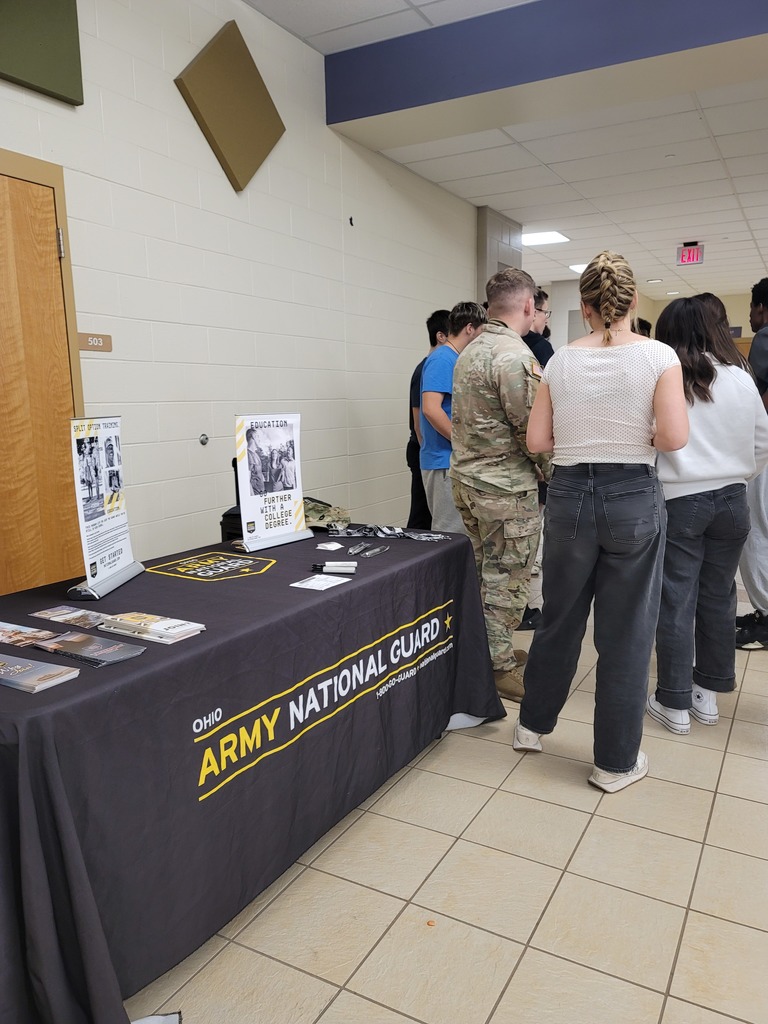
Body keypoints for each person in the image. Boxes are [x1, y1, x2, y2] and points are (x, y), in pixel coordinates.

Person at [514, 250, 688, 793]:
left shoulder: (560, 359)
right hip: (632, 494)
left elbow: (537, 441)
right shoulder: (660, 357)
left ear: (586, 307)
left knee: (560, 617)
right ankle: (614, 763)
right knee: (626, 632)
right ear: (633, 302)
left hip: (568, 495)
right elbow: (674, 438)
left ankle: (531, 726)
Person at [647, 297, 768, 734]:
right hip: (733, 501)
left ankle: (674, 702)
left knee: (676, 599)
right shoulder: (742, 377)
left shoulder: (665, 377)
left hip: (680, 502)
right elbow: (762, 442)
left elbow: (651, 444)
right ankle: (708, 696)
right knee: (719, 599)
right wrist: (736, 473)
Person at [450, 269, 550, 702]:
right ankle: (499, 667)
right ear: (528, 306)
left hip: (469, 482)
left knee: (482, 572)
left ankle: (489, 650)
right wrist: (557, 475)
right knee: (507, 578)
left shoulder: (470, 350)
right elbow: (535, 434)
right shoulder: (514, 356)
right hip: (504, 491)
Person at [420, 301, 487, 533]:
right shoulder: (442, 359)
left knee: (464, 533)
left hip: (454, 460)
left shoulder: (456, 358)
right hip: (443, 461)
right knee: (449, 533)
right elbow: (430, 408)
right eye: (481, 332)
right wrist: (461, 442)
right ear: (470, 328)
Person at [732, 278, 768, 649]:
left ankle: (766, 616)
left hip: (764, 452)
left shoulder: (765, 339)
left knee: (756, 531)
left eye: (752, 309)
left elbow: (751, 396)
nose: (752, 317)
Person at [406, 311, 449, 529]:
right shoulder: (428, 368)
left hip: (431, 453)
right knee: (421, 520)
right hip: (424, 450)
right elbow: (419, 421)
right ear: (440, 336)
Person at [522, 287, 555, 367]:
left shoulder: (512, 341)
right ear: (534, 313)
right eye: (545, 312)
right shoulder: (543, 347)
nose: (546, 320)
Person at [246, 429, 265, 496]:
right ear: (253, 436)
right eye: (257, 436)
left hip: (261, 493)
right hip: (255, 494)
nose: (259, 439)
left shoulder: (255, 454)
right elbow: (247, 481)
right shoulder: (248, 455)